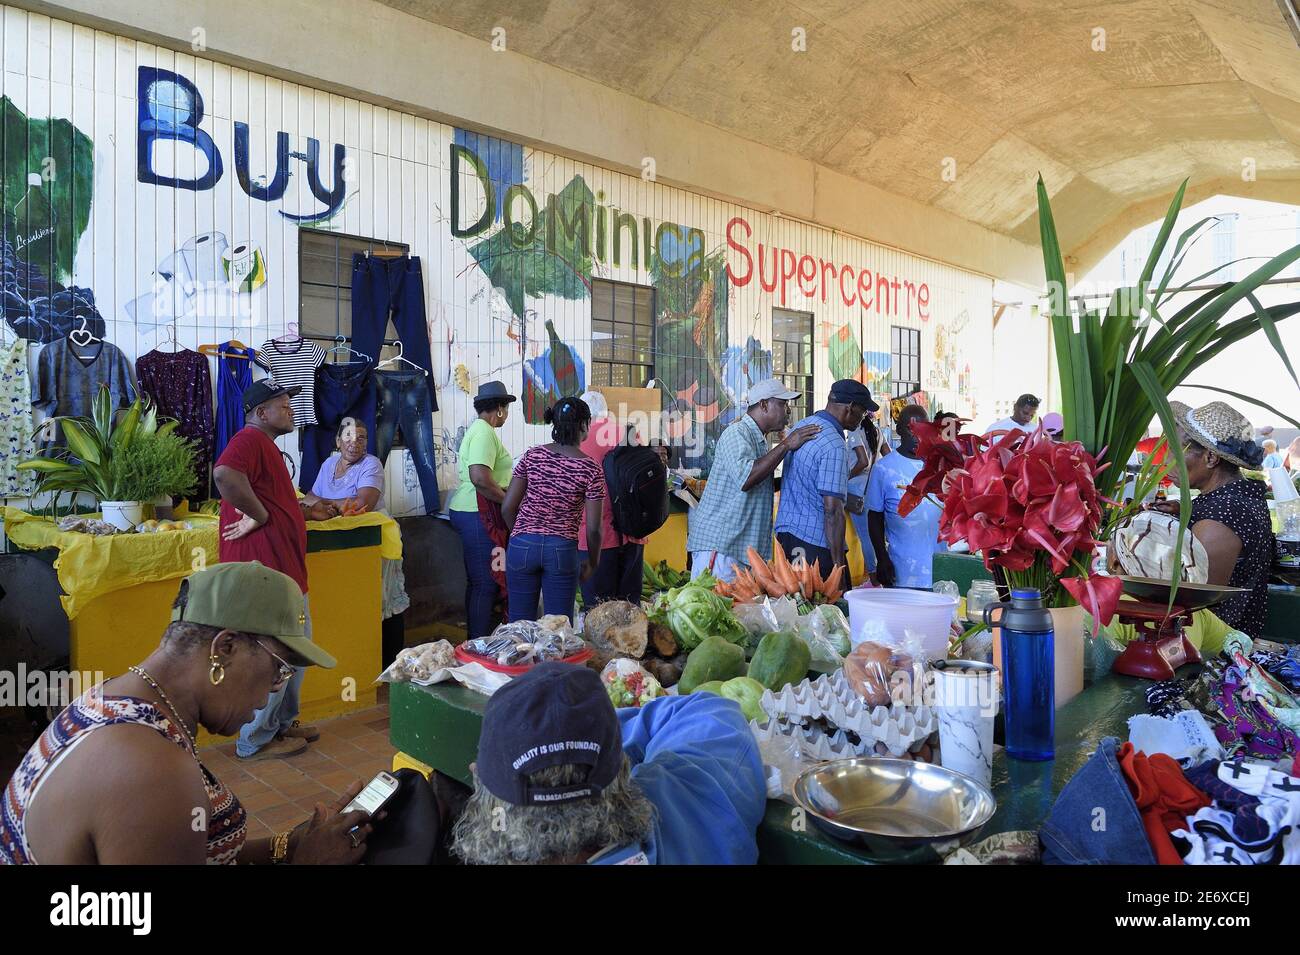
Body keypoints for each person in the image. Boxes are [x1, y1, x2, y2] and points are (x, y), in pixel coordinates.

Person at [0, 562, 374, 864]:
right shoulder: (150, 770)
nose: (276, 687)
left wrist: (288, 847)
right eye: (278, 667)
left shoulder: (117, 698)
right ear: (225, 648)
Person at [450, 662, 766, 865]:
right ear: (623, 772)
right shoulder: (692, 798)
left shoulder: (497, 826)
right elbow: (714, 712)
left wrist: (561, 748)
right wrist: (591, 741)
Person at [213, 379, 336, 761]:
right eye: (283, 405)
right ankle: (255, 739)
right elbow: (224, 474)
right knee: (274, 656)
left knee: (295, 652)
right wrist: (260, 515)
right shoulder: (249, 439)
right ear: (261, 413)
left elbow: (274, 500)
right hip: (265, 574)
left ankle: (280, 724)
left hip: (284, 574)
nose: (291, 410)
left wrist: (303, 512)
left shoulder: (267, 446)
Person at [1150, 401, 1273, 638]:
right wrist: (1185, 512)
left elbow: (1193, 605)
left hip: (1213, 644)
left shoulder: (1222, 515)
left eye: (1175, 450)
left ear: (1210, 458)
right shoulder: (1238, 497)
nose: (1166, 461)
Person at [687, 379, 820, 581]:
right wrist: (786, 445)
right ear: (764, 404)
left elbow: (760, 483)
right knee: (717, 601)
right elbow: (747, 477)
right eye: (782, 404)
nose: (788, 410)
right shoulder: (736, 433)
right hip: (722, 548)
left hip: (740, 549)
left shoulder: (758, 439)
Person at [503, 397, 605, 622]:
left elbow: (508, 507)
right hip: (561, 550)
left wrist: (522, 535)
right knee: (557, 629)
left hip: (521, 546)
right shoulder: (590, 468)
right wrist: (593, 562)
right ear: (584, 424)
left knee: (518, 625)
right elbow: (594, 528)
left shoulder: (532, 456)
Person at [774, 380, 876, 578]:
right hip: (815, 545)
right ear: (850, 407)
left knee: (794, 597)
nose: (863, 418)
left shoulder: (802, 426)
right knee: (825, 598)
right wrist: (838, 567)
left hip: (787, 536)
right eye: (863, 412)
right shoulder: (834, 444)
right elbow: (832, 511)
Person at [575, 390, 664, 606]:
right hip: (632, 533)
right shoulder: (628, 433)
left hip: (595, 538)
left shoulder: (579, 440)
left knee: (600, 610)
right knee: (629, 607)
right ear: (606, 411)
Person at [448, 382, 516, 638]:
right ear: (499, 408)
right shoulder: (484, 433)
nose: (506, 414)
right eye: (506, 409)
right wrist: (507, 502)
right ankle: (477, 645)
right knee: (485, 584)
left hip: (474, 510)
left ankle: (475, 642)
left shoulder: (480, 431)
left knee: (479, 583)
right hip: (476, 512)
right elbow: (479, 478)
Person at [868, 405, 945, 589]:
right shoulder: (883, 468)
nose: (918, 436)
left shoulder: (941, 465)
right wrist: (882, 558)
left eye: (923, 429)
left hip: (941, 568)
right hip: (902, 570)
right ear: (899, 430)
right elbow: (874, 517)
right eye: (911, 430)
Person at [303, 417, 384, 513]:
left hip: (366, 521)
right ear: (338, 441)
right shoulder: (329, 463)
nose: (354, 444)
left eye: (360, 439)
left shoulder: (371, 464)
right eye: (348, 438)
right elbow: (311, 496)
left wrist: (321, 504)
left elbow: (363, 504)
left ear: (366, 443)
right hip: (333, 520)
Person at [846, 411, 887, 574]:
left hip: (856, 489)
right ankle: (882, 570)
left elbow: (863, 461)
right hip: (874, 488)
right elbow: (888, 455)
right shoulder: (878, 431)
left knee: (865, 536)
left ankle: (873, 574)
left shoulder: (854, 431)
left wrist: (847, 476)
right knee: (877, 534)